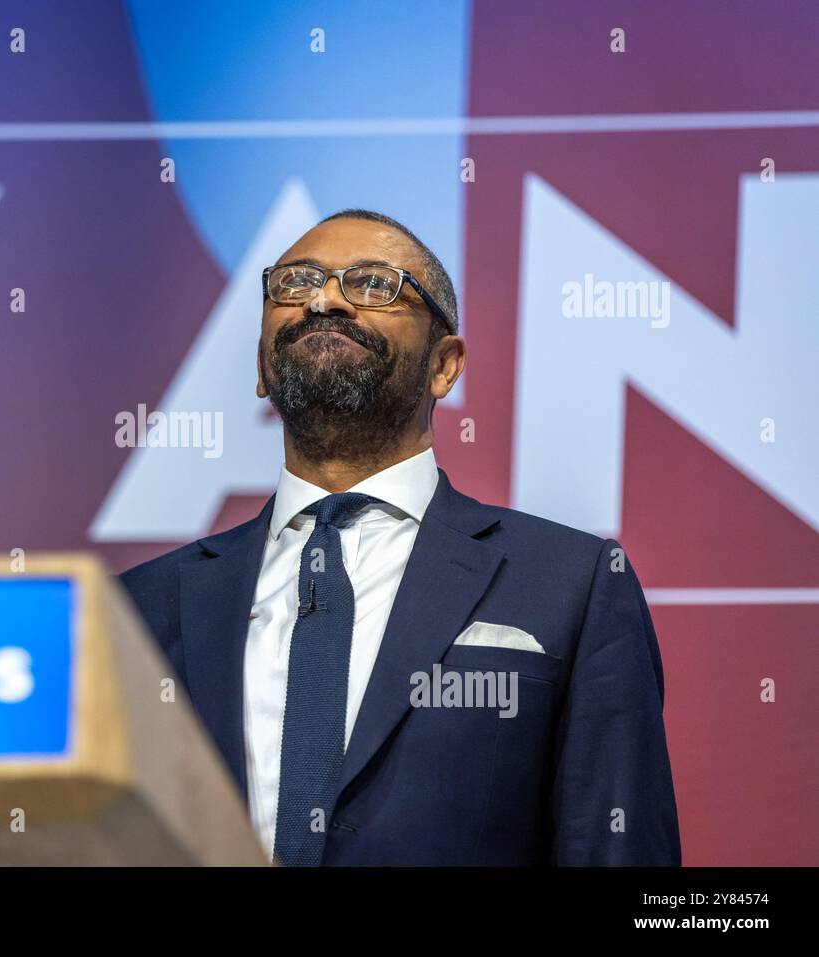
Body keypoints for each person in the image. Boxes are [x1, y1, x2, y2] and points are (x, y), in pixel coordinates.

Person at [119, 209, 680, 866]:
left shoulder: (573, 584)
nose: (324, 299)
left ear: (446, 365)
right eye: (295, 283)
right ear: (262, 369)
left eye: (374, 283)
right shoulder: (138, 606)